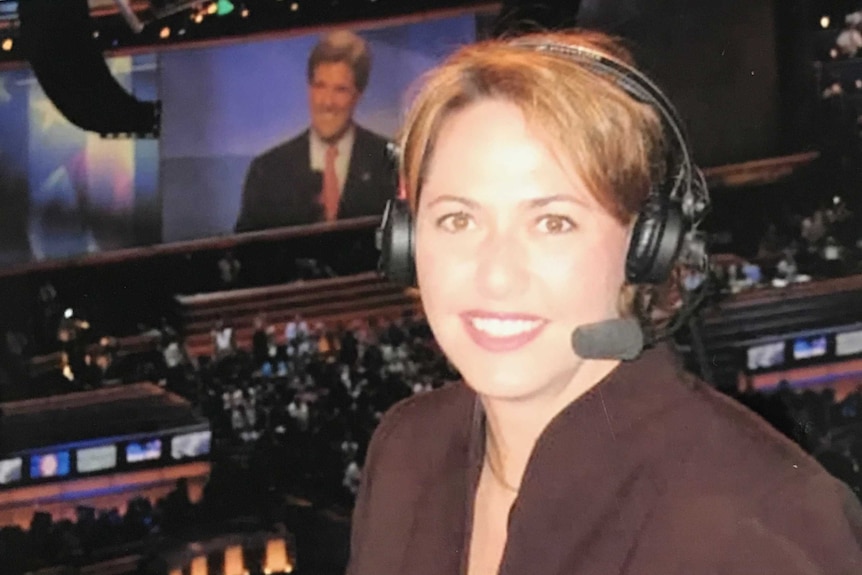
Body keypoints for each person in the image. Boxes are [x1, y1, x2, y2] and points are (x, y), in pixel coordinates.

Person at [346, 30, 862, 575]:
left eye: (553, 222)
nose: (495, 275)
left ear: (648, 248)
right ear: (405, 242)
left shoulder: (766, 528)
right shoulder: (408, 450)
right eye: (458, 219)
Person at [235, 30, 396, 233]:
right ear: (309, 88)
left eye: (340, 90)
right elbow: (247, 256)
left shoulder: (389, 162)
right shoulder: (268, 170)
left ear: (358, 94)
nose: (327, 102)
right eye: (320, 86)